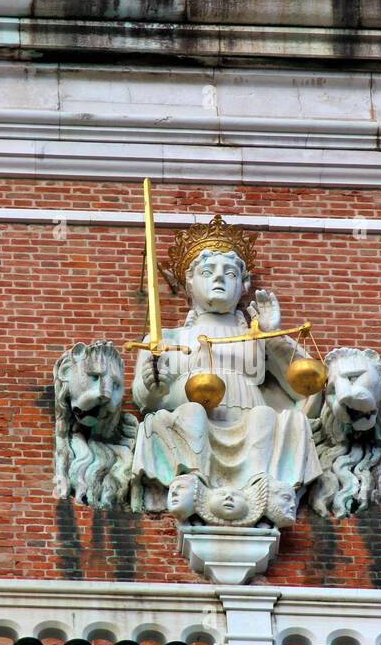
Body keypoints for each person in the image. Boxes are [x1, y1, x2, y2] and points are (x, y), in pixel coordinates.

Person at [131, 216, 320, 514]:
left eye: (229, 273)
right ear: (190, 282)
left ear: (243, 284)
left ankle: (259, 483)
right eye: (208, 271)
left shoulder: (255, 336)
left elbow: (303, 386)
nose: (218, 278)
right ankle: (196, 479)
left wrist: (273, 335)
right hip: (193, 414)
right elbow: (145, 398)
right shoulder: (166, 338)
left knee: (263, 417)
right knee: (192, 413)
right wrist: (154, 383)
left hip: (247, 413)